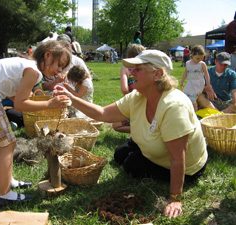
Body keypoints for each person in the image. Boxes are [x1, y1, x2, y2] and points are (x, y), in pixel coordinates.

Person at [54, 50, 208, 218]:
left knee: (131, 164)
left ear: (157, 74)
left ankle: (143, 158)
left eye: (138, 69)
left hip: (185, 168)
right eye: (132, 69)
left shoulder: (173, 106)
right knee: (120, 154)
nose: (131, 72)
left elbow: (178, 158)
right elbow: (103, 114)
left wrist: (175, 198)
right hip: (157, 147)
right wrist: (70, 97)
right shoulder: (137, 96)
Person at [0, 40, 72, 208]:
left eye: (62, 68)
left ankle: (8, 181)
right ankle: (4, 195)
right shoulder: (33, 71)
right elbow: (20, 105)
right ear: (48, 55)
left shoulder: (29, 66)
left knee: (7, 143)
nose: (59, 70)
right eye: (59, 65)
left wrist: (46, 100)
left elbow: (18, 97)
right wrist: (50, 104)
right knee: (7, 144)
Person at [112, 44, 145, 133]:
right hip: (150, 102)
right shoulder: (147, 67)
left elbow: (124, 89)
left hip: (134, 102)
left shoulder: (126, 67)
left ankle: (140, 130)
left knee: (116, 125)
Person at [180, 45, 214, 111]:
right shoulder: (188, 63)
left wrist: (208, 84)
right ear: (192, 55)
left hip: (199, 83)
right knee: (185, 95)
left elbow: (206, 75)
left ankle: (194, 111)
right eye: (198, 58)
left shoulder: (202, 64)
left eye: (201, 58)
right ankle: (190, 109)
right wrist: (182, 81)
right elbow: (185, 73)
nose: (199, 60)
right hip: (190, 83)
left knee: (192, 98)